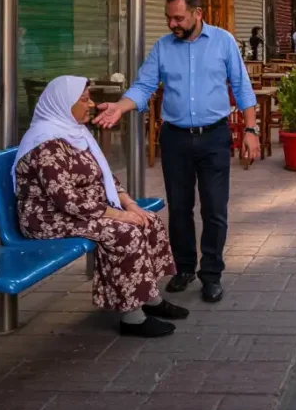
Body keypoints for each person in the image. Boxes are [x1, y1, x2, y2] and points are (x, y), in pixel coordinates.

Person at [94, 0, 258, 304]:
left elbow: (241, 86)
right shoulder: (162, 48)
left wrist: (250, 129)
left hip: (214, 136)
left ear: (198, 14)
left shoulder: (223, 42)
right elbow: (143, 86)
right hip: (176, 138)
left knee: (214, 208)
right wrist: (120, 107)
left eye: (179, 17)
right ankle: (184, 268)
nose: (173, 24)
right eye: (169, 17)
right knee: (180, 208)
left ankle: (211, 274)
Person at [15, 76, 185, 338]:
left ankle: (149, 297)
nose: (91, 104)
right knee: (123, 232)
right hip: (49, 218)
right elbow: (67, 201)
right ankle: (132, 317)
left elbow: (104, 177)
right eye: (84, 100)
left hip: (83, 209)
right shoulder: (45, 144)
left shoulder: (74, 133)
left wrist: (129, 204)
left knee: (148, 220)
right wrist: (119, 215)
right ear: (63, 104)